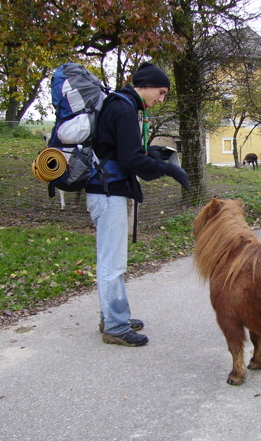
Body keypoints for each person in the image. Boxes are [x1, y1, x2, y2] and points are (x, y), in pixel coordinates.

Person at [85, 62, 189, 347]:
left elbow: (123, 152)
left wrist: (153, 154)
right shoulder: (124, 109)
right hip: (108, 193)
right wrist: (168, 170)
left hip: (108, 191)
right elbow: (131, 159)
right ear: (145, 85)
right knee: (112, 263)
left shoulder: (123, 105)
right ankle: (115, 327)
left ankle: (114, 316)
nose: (161, 99)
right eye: (161, 92)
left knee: (114, 261)